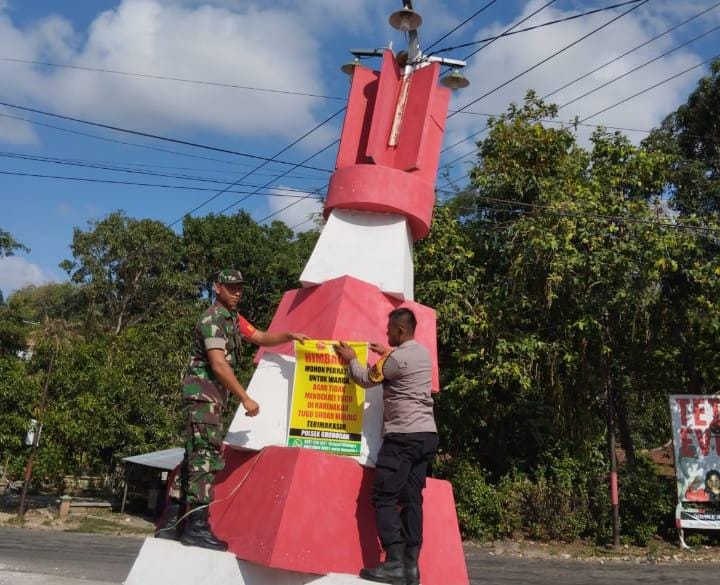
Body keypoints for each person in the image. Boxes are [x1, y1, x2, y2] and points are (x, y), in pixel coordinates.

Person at [156, 268, 308, 550]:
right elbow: (218, 364)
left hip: (211, 398)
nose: (237, 292)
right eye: (231, 287)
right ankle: (196, 526)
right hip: (203, 397)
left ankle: (172, 523)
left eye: (239, 287)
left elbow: (260, 337)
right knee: (204, 458)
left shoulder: (233, 319)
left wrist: (289, 335)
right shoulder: (212, 319)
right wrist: (245, 398)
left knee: (194, 457)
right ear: (217, 288)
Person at [334, 308, 438, 585]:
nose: (386, 334)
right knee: (412, 499)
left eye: (390, 330)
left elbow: (366, 378)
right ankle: (411, 567)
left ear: (400, 331)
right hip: (426, 435)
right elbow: (396, 366)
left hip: (403, 437)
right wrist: (386, 354)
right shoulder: (421, 354)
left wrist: (352, 360)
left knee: (383, 497)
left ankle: (393, 563)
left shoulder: (397, 358)